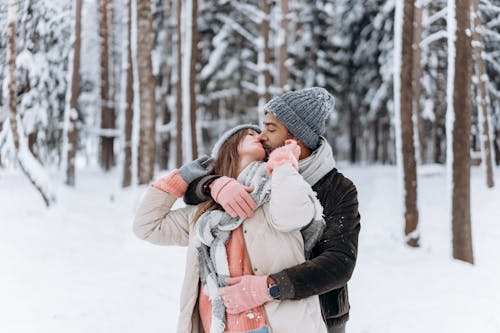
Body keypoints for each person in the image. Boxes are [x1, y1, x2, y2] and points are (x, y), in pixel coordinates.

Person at [184, 87, 361, 333]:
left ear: (295, 139)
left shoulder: (337, 189)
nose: (261, 135)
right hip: (261, 319)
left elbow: (339, 263)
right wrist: (212, 184)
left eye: (271, 128)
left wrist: (270, 286)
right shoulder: (260, 172)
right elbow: (199, 177)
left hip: (323, 315)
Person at [133, 124, 328, 333]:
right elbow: (147, 225)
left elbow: (293, 215)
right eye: (250, 133)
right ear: (229, 146)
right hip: (219, 325)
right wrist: (183, 177)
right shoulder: (203, 215)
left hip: (277, 323)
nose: (259, 136)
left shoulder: (277, 190)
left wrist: (283, 164)